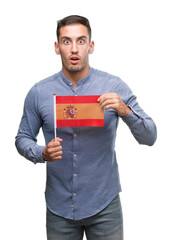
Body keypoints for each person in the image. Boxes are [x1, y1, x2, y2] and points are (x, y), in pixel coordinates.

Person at [15, 15, 157, 240]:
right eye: (66, 41)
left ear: (90, 46)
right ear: (56, 47)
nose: (74, 49)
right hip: (58, 208)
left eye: (81, 41)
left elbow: (150, 136)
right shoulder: (39, 92)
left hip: (105, 206)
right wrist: (41, 153)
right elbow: (22, 138)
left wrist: (125, 111)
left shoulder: (113, 86)